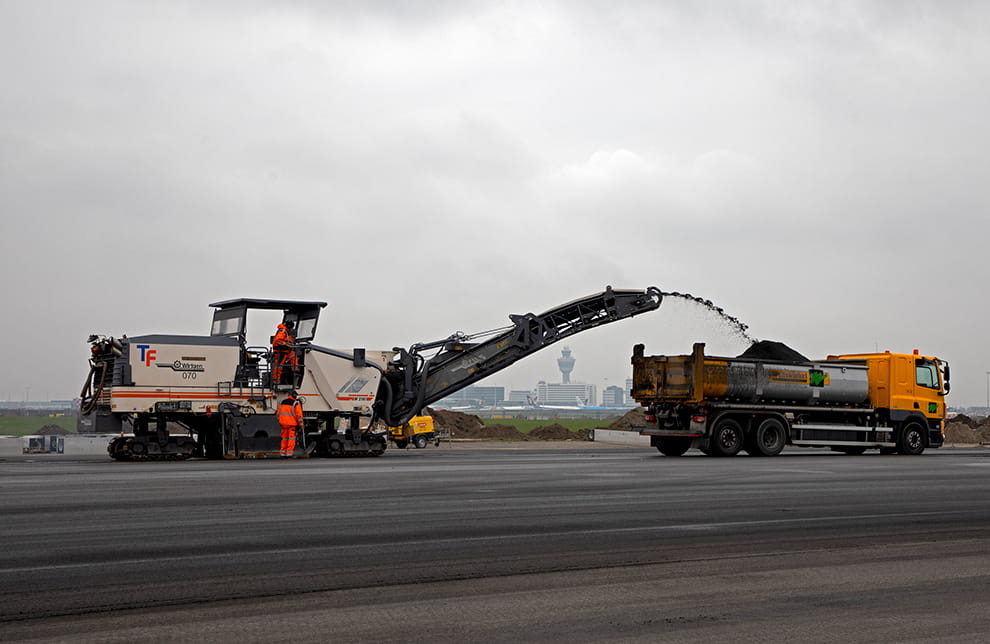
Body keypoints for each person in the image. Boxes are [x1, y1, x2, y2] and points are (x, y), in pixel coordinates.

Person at [278, 391, 303, 458]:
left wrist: (280, 421)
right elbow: (299, 416)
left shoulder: (283, 402)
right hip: (291, 425)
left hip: (283, 425)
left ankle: (282, 453)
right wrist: (301, 426)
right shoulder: (296, 403)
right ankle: (289, 454)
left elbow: (278, 414)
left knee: (284, 439)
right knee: (291, 439)